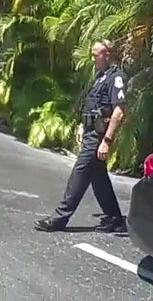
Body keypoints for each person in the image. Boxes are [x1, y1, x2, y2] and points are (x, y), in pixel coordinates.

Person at [35, 40, 128, 234]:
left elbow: (118, 112)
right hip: (90, 132)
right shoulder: (99, 77)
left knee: (79, 174)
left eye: (97, 55)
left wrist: (106, 141)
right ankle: (115, 218)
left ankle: (59, 219)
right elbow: (91, 106)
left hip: (98, 136)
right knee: (98, 177)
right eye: (92, 55)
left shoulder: (116, 78)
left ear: (108, 54)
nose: (93, 58)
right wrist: (82, 126)